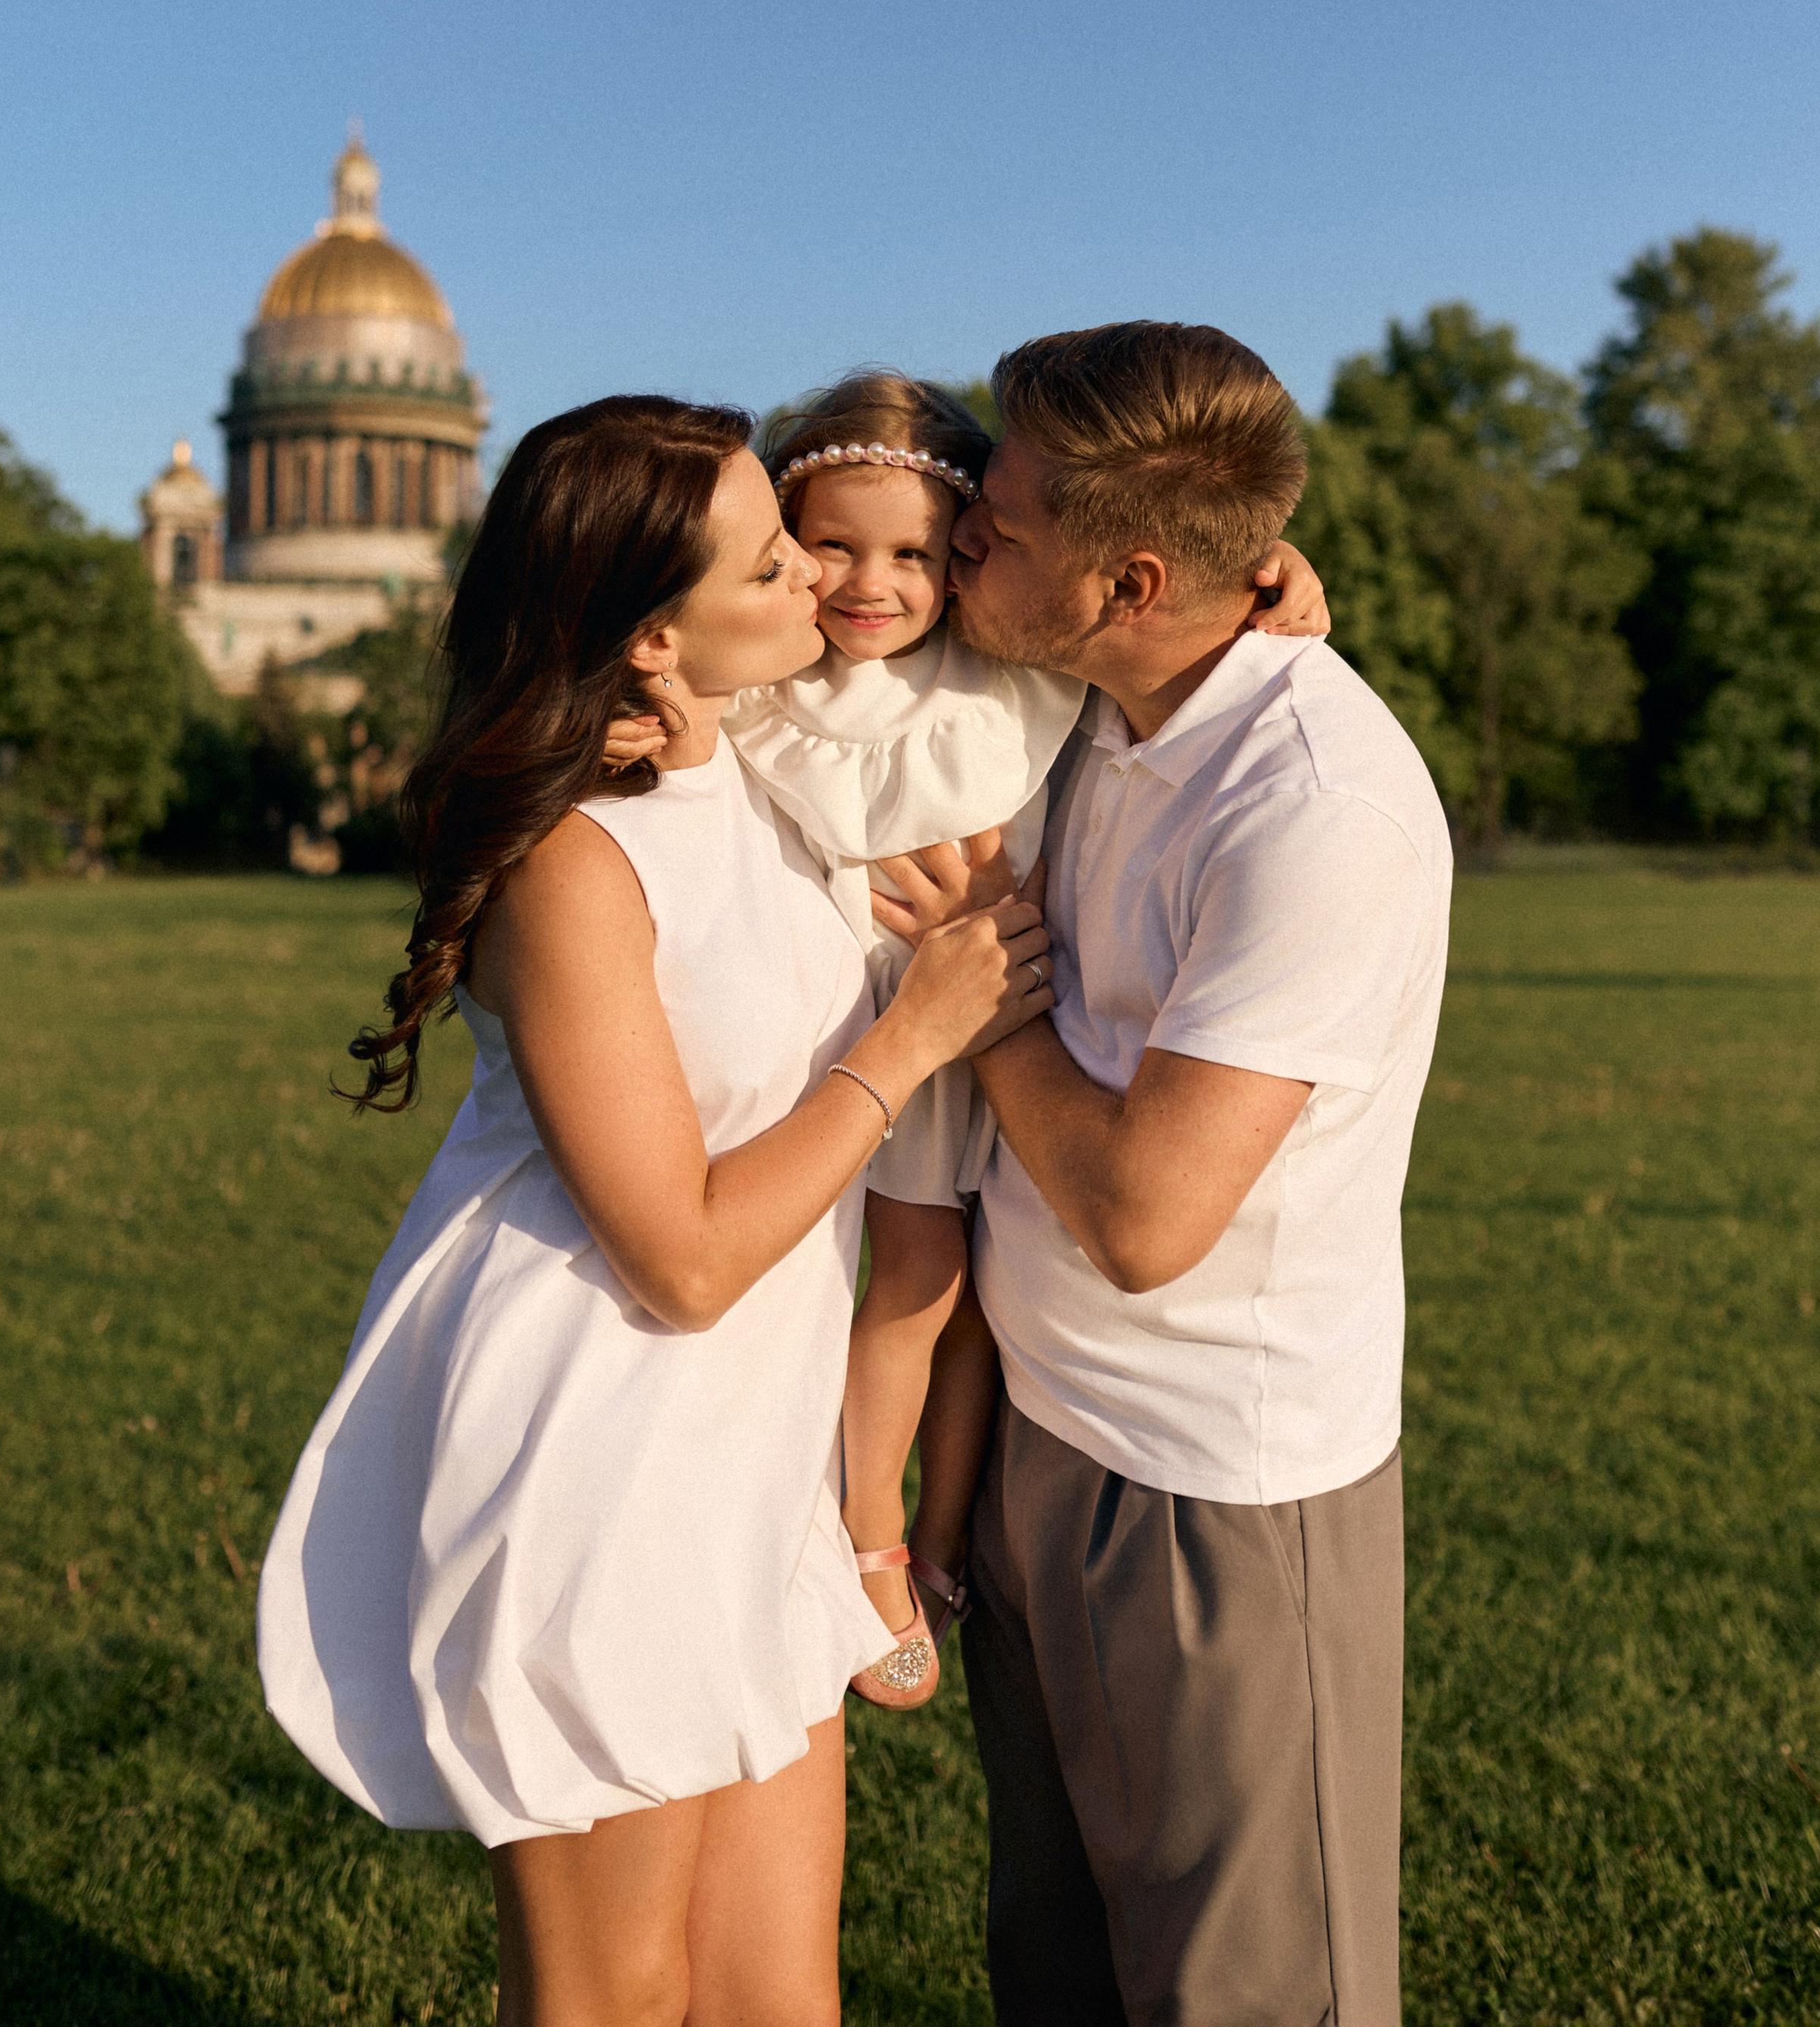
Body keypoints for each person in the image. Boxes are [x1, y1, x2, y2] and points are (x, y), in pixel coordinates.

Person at [255, 394, 1052, 2027]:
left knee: (777, 1995)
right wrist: (912, 1041)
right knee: (612, 1997)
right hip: (603, 1469)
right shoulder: (570, 866)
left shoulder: (759, 776)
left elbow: (983, 583)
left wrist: (1264, 578)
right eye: (772, 567)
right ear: (644, 640)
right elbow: (681, 1258)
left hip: (753, 1467)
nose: (820, 591)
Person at [880, 322, 1453, 2027]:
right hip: (1039, 1447)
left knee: (1246, 1995)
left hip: (1222, 1500)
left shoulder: (1314, 806)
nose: (969, 516)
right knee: (1056, 1981)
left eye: (1010, 508)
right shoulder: (1089, 700)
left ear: (1129, 578)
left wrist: (970, 1001)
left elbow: (1143, 1218)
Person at [607, 372, 1328, 1718]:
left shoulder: (1005, 669)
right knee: (915, 1281)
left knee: (991, 1292)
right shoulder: (766, 677)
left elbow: (1138, 573)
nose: (870, 583)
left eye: (917, 553)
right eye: (828, 547)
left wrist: (1271, 568)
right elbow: (667, 650)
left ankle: (941, 1535)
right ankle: (868, 1533)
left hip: (1012, 1008)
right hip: (882, 1019)